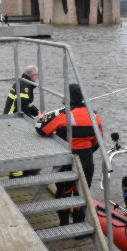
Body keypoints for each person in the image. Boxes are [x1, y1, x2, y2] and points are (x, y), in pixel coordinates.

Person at [35, 84, 102, 225]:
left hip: (67, 160)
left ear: (70, 98)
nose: (61, 100)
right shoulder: (95, 116)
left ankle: (64, 224)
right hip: (87, 160)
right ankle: (79, 225)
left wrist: (41, 119)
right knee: (82, 194)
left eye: (64, 96)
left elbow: (42, 130)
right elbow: (97, 141)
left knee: (64, 193)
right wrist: (86, 151)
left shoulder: (63, 115)